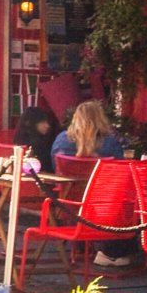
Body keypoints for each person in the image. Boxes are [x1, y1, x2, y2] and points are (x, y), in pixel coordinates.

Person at [51, 99, 136, 269]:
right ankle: (116, 251)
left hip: (69, 204)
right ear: (101, 119)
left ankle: (85, 245)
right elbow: (120, 171)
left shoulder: (61, 140)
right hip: (102, 206)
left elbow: (55, 168)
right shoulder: (109, 142)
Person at [51, 100, 123, 164]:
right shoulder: (111, 142)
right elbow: (119, 168)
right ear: (101, 119)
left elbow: (55, 165)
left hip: (67, 178)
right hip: (99, 179)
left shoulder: (61, 140)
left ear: (75, 118)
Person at [15, 105, 61, 170]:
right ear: (30, 123)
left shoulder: (19, 141)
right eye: (43, 122)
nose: (47, 125)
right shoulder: (40, 146)